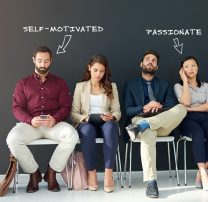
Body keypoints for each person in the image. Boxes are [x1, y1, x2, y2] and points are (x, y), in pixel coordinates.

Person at [6, 46, 79, 193]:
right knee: (12, 139)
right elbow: (17, 108)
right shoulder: (23, 83)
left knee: (72, 135)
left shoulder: (60, 82)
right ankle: (34, 173)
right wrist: (30, 120)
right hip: (31, 125)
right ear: (34, 60)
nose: (42, 64)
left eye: (46, 61)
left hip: (53, 124)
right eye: (39, 61)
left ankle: (51, 173)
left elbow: (66, 107)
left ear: (51, 61)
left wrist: (55, 119)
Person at [124, 49, 187, 198]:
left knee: (182, 108)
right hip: (139, 118)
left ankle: (145, 125)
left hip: (162, 122)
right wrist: (144, 107)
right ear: (141, 63)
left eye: (154, 60)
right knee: (148, 133)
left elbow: (172, 106)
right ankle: (151, 182)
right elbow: (128, 110)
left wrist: (159, 105)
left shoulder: (164, 84)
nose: (150, 62)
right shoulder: (130, 84)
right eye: (147, 59)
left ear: (157, 67)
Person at [70, 54, 121, 192]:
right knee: (87, 130)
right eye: (95, 70)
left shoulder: (111, 86)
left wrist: (111, 116)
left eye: (102, 71)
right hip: (87, 122)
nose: (98, 74)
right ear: (89, 68)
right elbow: (73, 113)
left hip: (105, 123)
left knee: (110, 127)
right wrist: (84, 118)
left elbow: (117, 111)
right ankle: (91, 174)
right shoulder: (80, 87)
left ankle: (108, 175)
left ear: (105, 71)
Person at [174, 56, 208, 191]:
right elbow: (185, 102)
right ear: (182, 70)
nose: (190, 69)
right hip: (187, 120)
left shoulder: (205, 86)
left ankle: (201, 172)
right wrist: (185, 82)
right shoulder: (179, 86)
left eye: (193, 65)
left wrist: (193, 108)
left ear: (198, 68)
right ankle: (204, 173)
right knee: (198, 134)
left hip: (205, 117)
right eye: (186, 66)